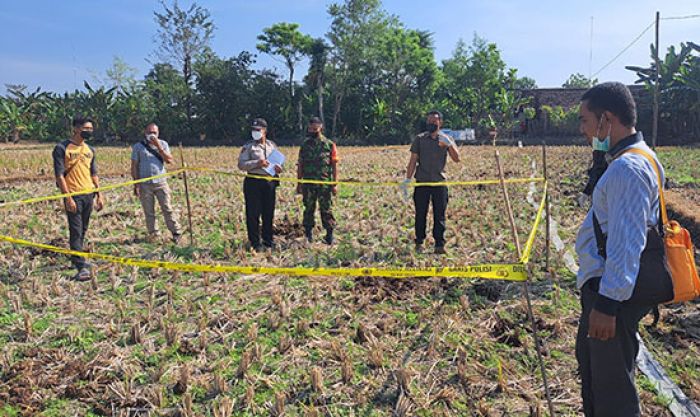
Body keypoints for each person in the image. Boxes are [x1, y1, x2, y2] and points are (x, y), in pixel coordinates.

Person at [575, 82, 668, 417]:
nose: (583, 130)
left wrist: (608, 305)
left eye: (585, 120)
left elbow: (627, 242)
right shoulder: (635, 157)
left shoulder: (628, 169)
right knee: (596, 372)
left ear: (606, 120)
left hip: (612, 294)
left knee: (612, 391)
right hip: (609, 290)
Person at [52, 116, 104, 281]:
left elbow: (93, 173)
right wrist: (67, 198)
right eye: (85, 129)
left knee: (83, 229)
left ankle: (78, 256)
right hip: (73, 194)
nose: (88, 132)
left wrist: (99, 194)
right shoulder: (62, 148)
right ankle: (80, 266)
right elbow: (59, 175)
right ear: (76, 128)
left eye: (90, 129)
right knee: (75, 230)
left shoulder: (90, 150)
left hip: (89, 193)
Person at [404, 110, 460, 254]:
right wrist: (407, 180)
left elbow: (457, 158)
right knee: (420, 214)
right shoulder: (420, 139)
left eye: (434, 121)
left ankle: (439, 244)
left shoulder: (446, 139)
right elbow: (413, 161)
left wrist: (449, 145)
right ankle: (419, 242)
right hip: (422, 182)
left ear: (440, 123)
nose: (431, 123)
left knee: (439, 214)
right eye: (429, 121)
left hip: (439, 183)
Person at [130, 123, 183, 243]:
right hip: (145, 183)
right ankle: (154, 234)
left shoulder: (163, 144)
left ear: (158, 133)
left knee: (167, 208)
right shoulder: (138, 147)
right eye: (149, 132)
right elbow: (134, 166)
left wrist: (158, 146)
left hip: (161, 182)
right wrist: (136, 184)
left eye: (154, 132)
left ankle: (176, 232)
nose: (152, 135)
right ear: (145, 133)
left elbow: (169, 160)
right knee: (149, 211)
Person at [238, 118, 283, 251]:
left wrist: (279, 168)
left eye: (258, 130)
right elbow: (241, 165)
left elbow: (279, 162)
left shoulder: (272, 146)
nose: (255, 132)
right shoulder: (248, 147)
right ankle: (255, 243)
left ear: (265, 131)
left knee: (268, 213)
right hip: (253, 182)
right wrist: (257, 163)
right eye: (253, 130)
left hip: (269, 182)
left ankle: (268, 241)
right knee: (253, 213)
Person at [297, 117, 339, 245]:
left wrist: (334, 184)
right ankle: (308, 234)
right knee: (309, 209)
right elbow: (300, 165)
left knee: (326, 209)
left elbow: (334, 165)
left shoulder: (329, 145)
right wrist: (299, 183)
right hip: (308, 184)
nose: (313, 131)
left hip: (324, 184)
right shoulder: (304, 145)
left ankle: (329, 235)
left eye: (315, 128)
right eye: (311, 128)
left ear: (321, 127)